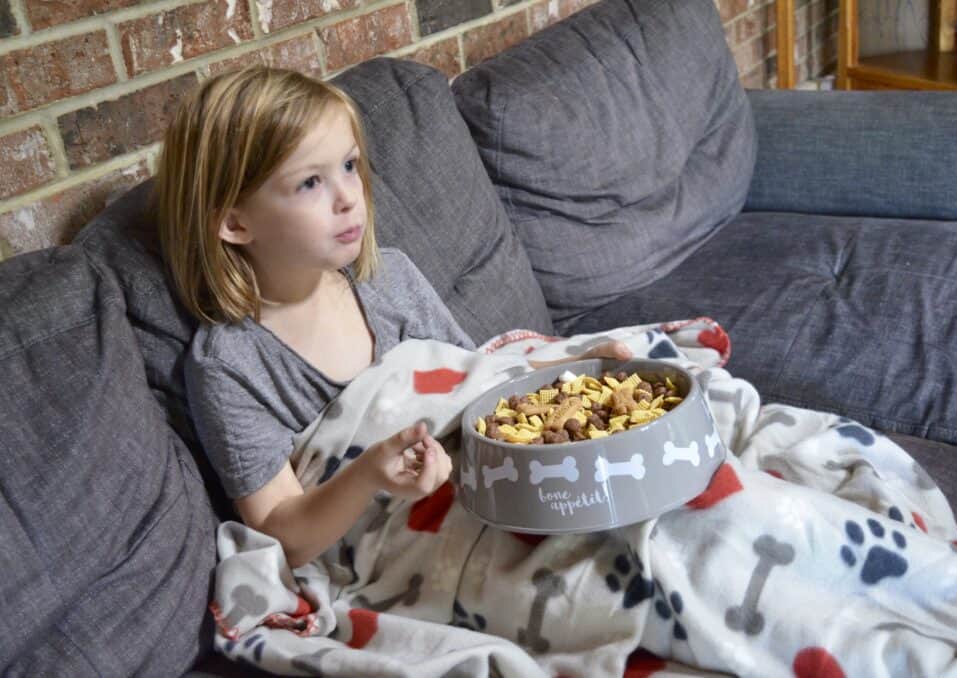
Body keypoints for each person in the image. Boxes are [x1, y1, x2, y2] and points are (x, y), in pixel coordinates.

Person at [155, 65, 632, 569]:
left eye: (349, 166)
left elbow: (479, 387)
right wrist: (368, 475)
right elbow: (281, 533)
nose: (348, 197)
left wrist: (570, 370)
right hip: (404, 539)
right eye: (310, 182)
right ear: (234, 221)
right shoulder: (229, 366)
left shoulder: (391, 278)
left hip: (488, 476)